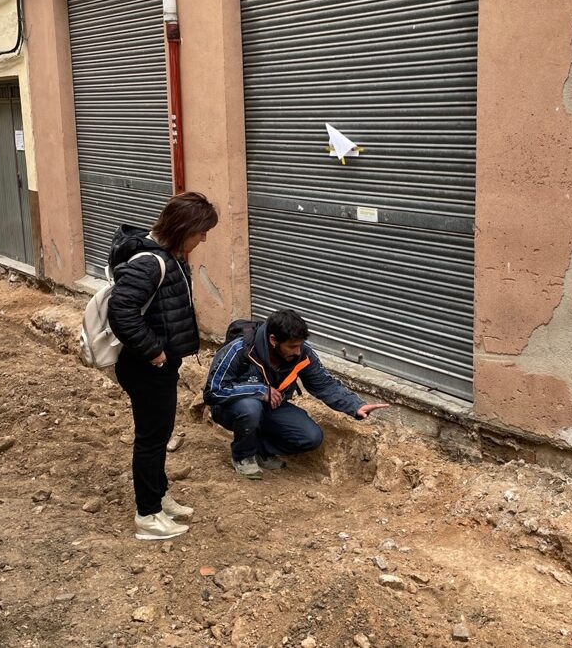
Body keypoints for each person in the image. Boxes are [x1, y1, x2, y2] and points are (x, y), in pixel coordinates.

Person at [108, 191, 218, 540]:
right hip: (146, 366)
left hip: (158, 365)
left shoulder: (169, 254)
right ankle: (148, 516)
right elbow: (121, 312)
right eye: (200, 231)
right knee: (151, 439)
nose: (204, 239)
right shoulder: (149, 262)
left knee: (159, 434)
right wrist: (155, 352)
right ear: (182, 227)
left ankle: (159, 496)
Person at [203, 309, 388, 479]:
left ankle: (260, 450)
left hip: (272, 407)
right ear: (274, 340)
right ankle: (243, 456)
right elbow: (213, 391)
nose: (297, 351)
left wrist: (355, 406)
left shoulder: (302, 354)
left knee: (310, 437)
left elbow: (324, 384)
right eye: (292, 346)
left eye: (300, 345)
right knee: (250, 407)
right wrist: (259, 391)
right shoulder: (239, 349)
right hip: (233, 408)